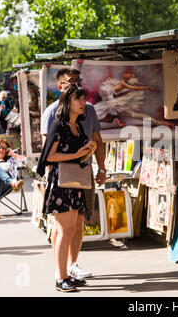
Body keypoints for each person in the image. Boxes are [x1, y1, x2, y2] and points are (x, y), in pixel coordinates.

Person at [40, 68, 106, 285]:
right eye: (80, 98)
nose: (84, 102)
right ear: (67, 98)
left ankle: (67, 272)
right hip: (61, 181)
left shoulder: (77, 125)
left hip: (78, 179)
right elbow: (49, 155)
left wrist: (88, 151)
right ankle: (61, 277)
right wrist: (78, 153)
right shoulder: (57, 123)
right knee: (64, 229)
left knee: (73, 227)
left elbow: (79, 155)